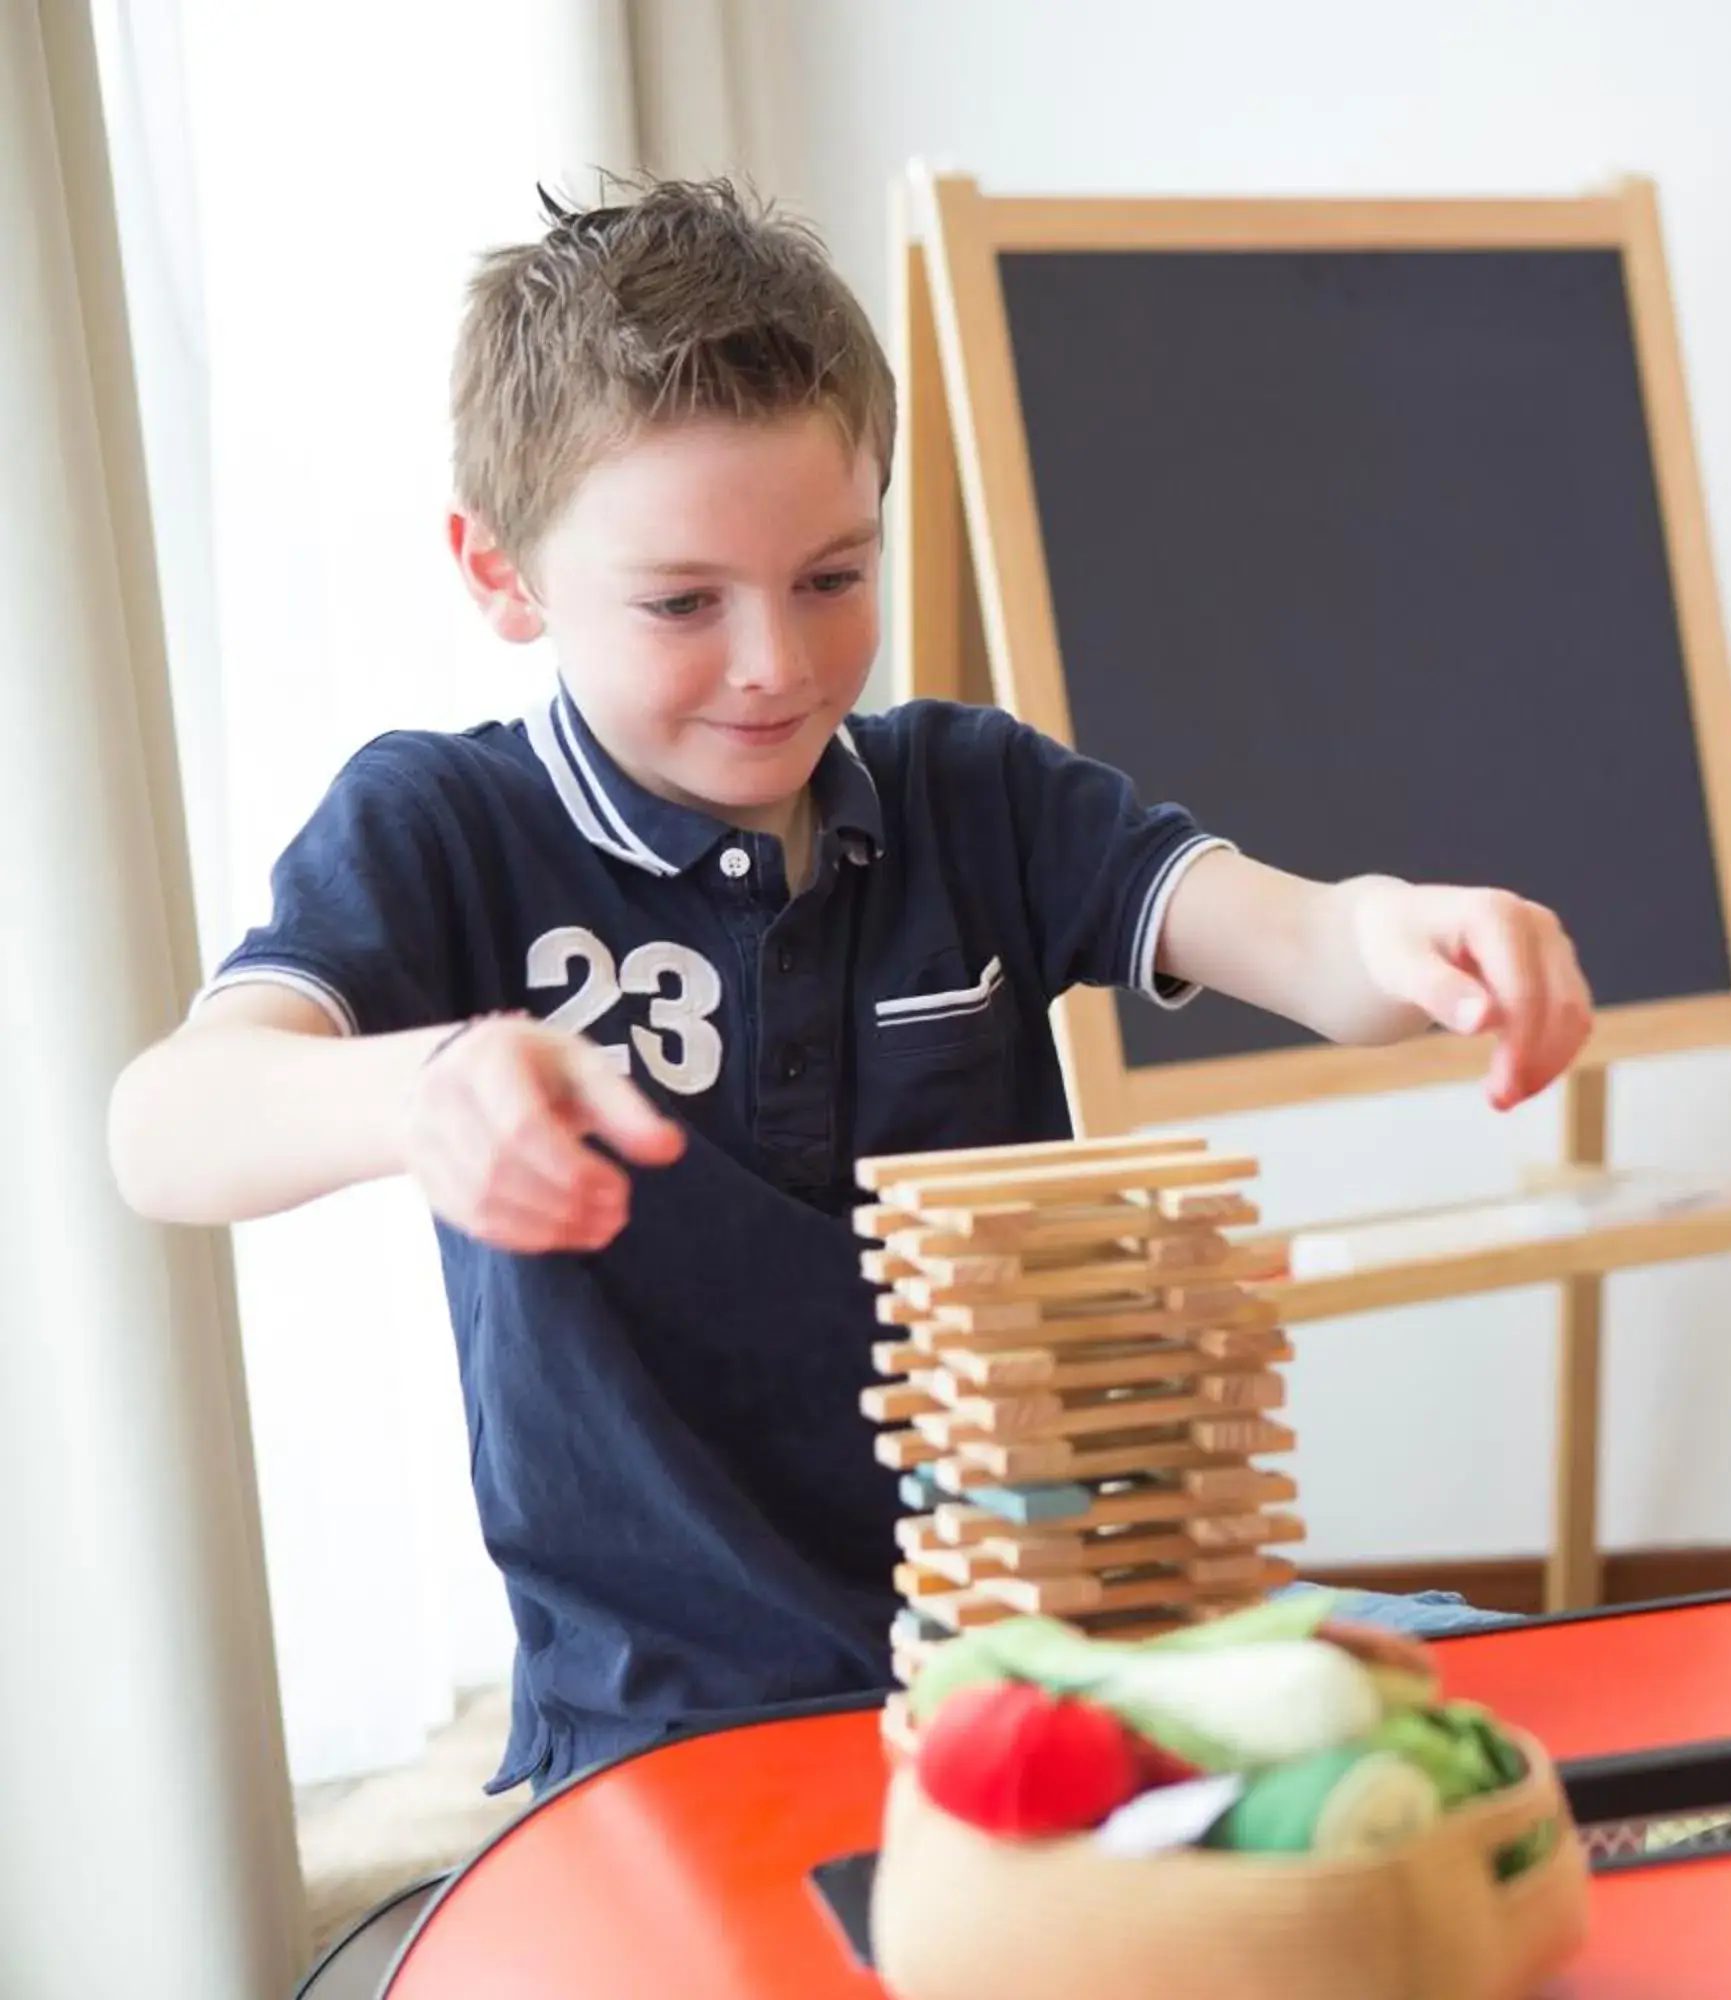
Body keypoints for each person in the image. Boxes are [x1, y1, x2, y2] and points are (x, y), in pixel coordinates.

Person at [106, 180, 1582, 1795]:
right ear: (501, 573)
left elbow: (1300, 940)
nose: (779, 664)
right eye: (683, 602)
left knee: (1523, 1716)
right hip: (675, 1724)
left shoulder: (982, 796)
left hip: (1068, 1650)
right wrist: (420, 1087)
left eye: (832, 575)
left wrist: (1406, 934)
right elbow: (167, 1125)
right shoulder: (443, 829)